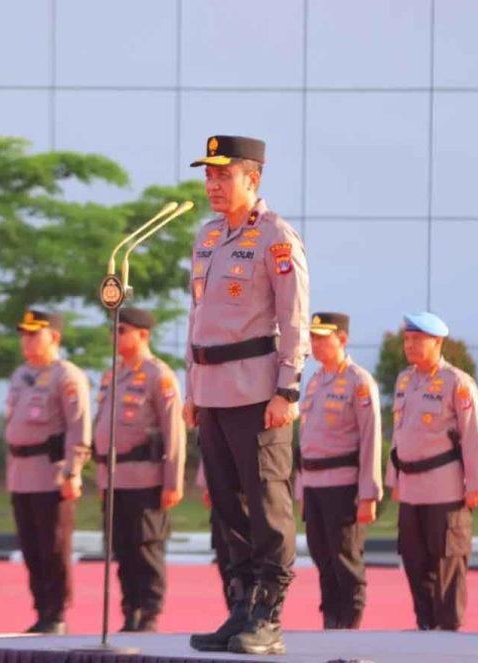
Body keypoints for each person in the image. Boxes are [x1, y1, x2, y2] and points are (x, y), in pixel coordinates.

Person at [184, 135, 310, 655]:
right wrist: (192, 388)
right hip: (211, 393)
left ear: (252, 179)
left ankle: (269, 617)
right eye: (208, 176)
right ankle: (240, 608)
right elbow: (198, 319)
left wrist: (287, 389)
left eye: (223, 175)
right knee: (227, 509)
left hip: (258, 394)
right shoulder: (208, 236)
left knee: (267, 506)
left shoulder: (276, 237)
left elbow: (294, 318)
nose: (213, 185)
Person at [386, 312, 478, 632]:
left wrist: (476, 484)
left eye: (418, 339)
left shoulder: (457, 383)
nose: (410, 345)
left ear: (438, 342)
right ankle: (426, 629)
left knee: (447, 567)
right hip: (412, 490)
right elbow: (399, 433)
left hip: (446, 491)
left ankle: (448, 635)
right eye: (407, 339)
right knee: (415, 564)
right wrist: (394, 478)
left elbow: (472, 435)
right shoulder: (405, 380)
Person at [92, 307, 186, 632]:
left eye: (122, 330)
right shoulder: (112, 375)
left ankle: (148, 614)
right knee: (122, 550)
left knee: (146, 549)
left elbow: (175, 432)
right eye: (113, 330)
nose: (114, 336)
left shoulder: (159, 375)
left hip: (146, 479)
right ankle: (129, 611)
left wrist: (172, 482)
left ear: (142, 335)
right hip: (115, 480)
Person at [4, 307, 91, 634]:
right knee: (30, 548)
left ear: (53, 337)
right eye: (23, 334)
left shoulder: (66, 376)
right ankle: (41, 608)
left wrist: (74, 471)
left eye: (33, 333)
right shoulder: (20, 376)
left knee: (53, 548)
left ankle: (55, 614)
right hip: (21, 473)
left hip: (50, 473)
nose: (26, 340)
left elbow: (78, 427)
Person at [295, 312, 381, 630]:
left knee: (345, 558)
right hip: (315, 484)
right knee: (322, 557)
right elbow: (305, 441)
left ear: (342, 339)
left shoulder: (358, 382)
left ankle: (350, 622)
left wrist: (369, 494)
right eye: (313, 338)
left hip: (343, 485)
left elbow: (371, 439)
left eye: (322, 338)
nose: (315, 344)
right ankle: (331, 619)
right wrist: (301, 489)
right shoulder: (315, 381)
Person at [196, 460, 234, 611]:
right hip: (220, 489)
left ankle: (255, 618)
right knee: (226, 560)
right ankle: (235, 614)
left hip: (254, 492)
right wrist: (207, 482)